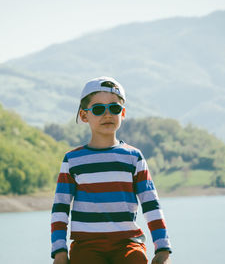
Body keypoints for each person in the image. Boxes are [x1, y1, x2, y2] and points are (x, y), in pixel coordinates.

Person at [51, 77, 172, 264]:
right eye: (98, 109)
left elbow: (151, 205)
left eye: (114, 108)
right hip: (86, 246)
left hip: (128, 244)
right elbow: (60, 208)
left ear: (122, 113)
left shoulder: (134, 157)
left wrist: (163, 249)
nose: (107, 114)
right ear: (84, 116)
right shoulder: (72, 160)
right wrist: (59, 252)